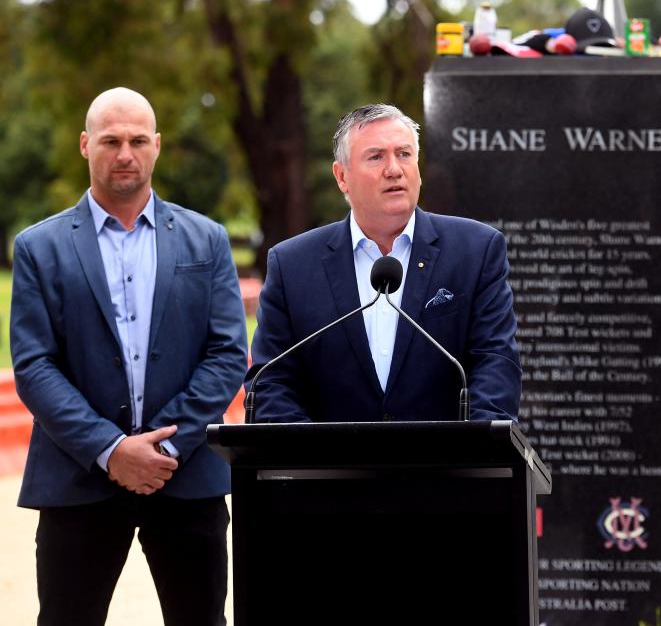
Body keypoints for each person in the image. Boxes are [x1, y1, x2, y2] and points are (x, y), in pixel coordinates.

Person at [11, 88, 248, 626]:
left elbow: (228, 352)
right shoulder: (37, 247)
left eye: (138, 140)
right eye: (111, 140)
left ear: (157, 146)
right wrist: (111, 449)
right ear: (84, 144)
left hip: (186, 478)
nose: (125, 153)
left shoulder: (206, 240)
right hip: (78, 477)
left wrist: (163, 448)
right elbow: (34, 365)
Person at [247, 103, 520, 422]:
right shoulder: (292, 265)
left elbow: (495, 364)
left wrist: (472, 454)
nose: (394, 169)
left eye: (404, 154)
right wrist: (315, 461)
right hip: (328, 468)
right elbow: (270, 382)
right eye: (376, 156)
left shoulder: (476, 250)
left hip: (447, 467)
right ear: (342, 177)